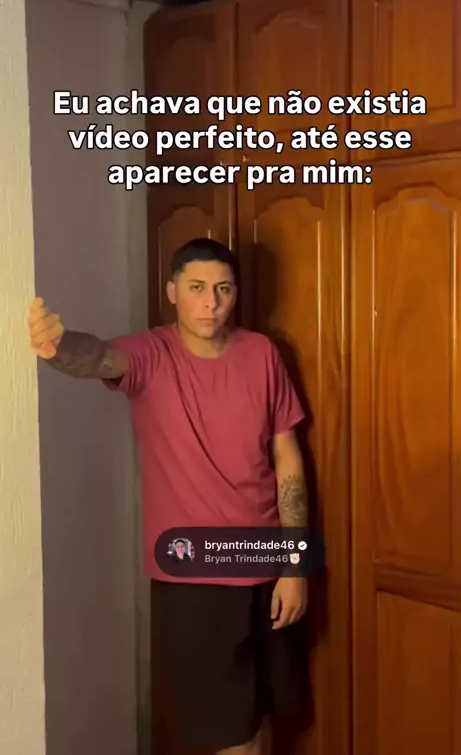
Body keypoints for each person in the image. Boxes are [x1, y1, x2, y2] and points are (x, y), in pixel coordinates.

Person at [28, 237, 310, 755]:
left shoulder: (262, 353)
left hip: (268, 561)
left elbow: (287, 456)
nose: (211, 303)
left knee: (265, 718)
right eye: (197, 288)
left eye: (223, 289)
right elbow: (98, 356)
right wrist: (58, 346)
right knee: (230, 737)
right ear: (172, 292)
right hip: (195, 575)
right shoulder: (150, 354)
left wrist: (295, 565)